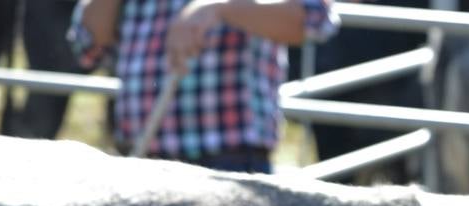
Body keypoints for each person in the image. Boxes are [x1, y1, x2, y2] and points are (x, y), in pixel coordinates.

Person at [69, 0, 338, 173]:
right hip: (143, 160)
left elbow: (313, 18)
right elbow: (88, 43)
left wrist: (221, 8)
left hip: (228, 164)